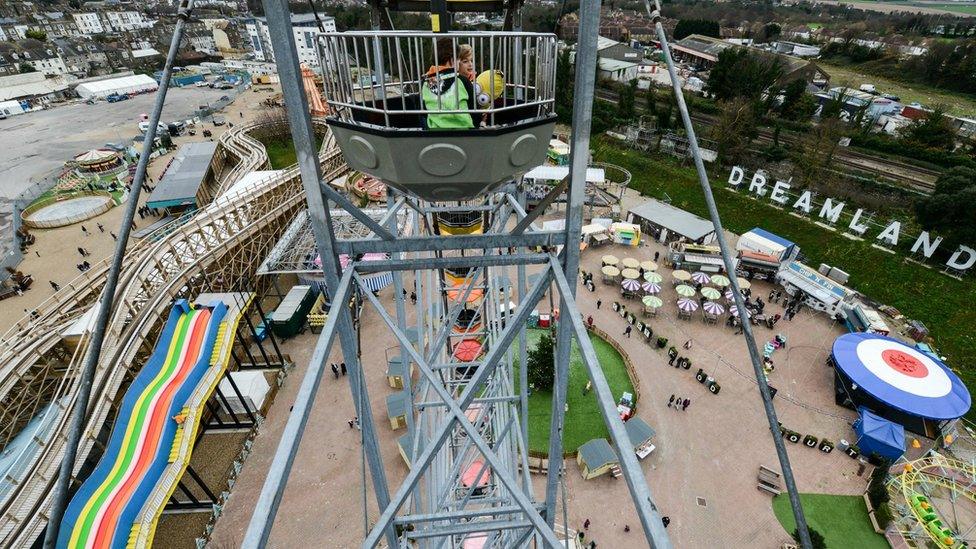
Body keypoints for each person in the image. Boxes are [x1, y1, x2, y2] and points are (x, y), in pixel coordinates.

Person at [422, 37, 477, 129]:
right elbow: (474, 109)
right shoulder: (462, 81)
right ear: (452, 59)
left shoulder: (425, 83)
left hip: (434, 132)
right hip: (465, 132)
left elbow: (424, 110)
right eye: (458, 59)